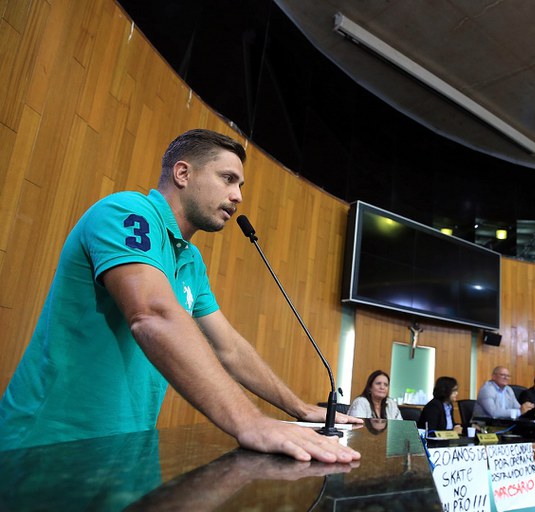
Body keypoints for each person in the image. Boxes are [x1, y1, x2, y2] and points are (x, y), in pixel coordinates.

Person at [0, 129, 361, 463]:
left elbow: (230, 349)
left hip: (127, 453)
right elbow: (152, 315)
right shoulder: (126, 212)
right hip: (47, 446)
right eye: (228, 179)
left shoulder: (191, 261)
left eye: (240, 184)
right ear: (183, 173)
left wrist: (299, 408)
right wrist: (250, 422)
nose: (238, 195)